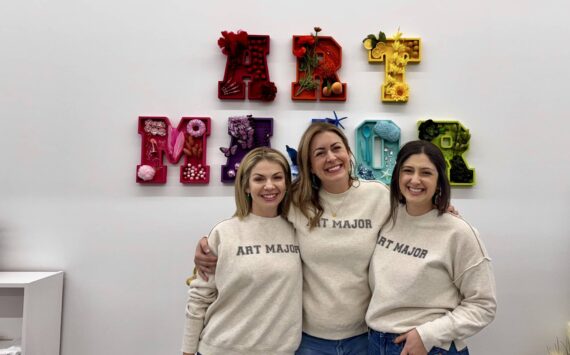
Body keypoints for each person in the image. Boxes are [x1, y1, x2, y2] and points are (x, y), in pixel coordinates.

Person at [196, 123, 391, 355]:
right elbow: (256, 223)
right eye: (319, 153)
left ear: (348, 152)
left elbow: (413, 221)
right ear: (309, 165)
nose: (331, 157)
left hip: (364, 337)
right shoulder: (297, 200)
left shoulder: (379, 196)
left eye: (336, 148)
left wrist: (444, 214)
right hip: (309, 339)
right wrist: (211, 246)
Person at [366, 140, 496, 355]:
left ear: (439, 181)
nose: (415, 180)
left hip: (431, 347)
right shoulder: (386, 218)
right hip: (375, 343)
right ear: (397, 175)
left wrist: (427, 335)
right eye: (408, 170)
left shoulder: (457, 232)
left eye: (426, 173)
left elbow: (483, 305)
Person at [181, 147, 302, 355]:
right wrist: (187, 351)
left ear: (286, 184)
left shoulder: (299, 230)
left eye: (277, 177)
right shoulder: (224, 232)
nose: (269, 186)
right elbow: (199, 297)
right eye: (259, 179)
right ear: (246, 186)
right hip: (220, 348)